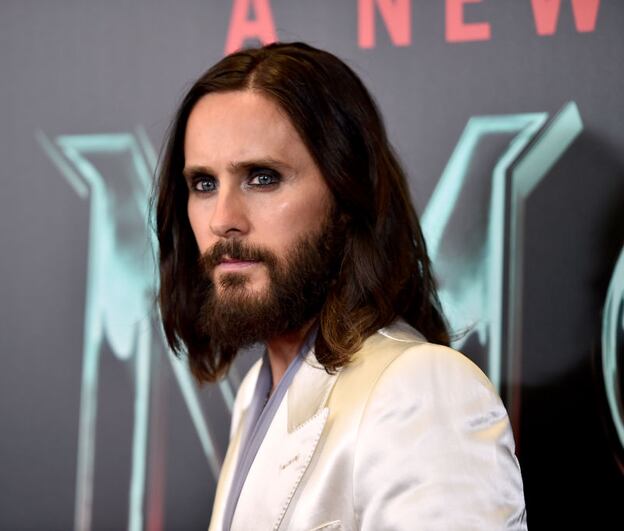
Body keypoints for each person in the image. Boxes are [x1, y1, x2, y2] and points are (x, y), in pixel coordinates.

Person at [154, 42, 527, 530]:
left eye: (262, 178)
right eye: (204, 184)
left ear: (347, 193)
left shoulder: (423, 390)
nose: (224, 219)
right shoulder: (255, 393)